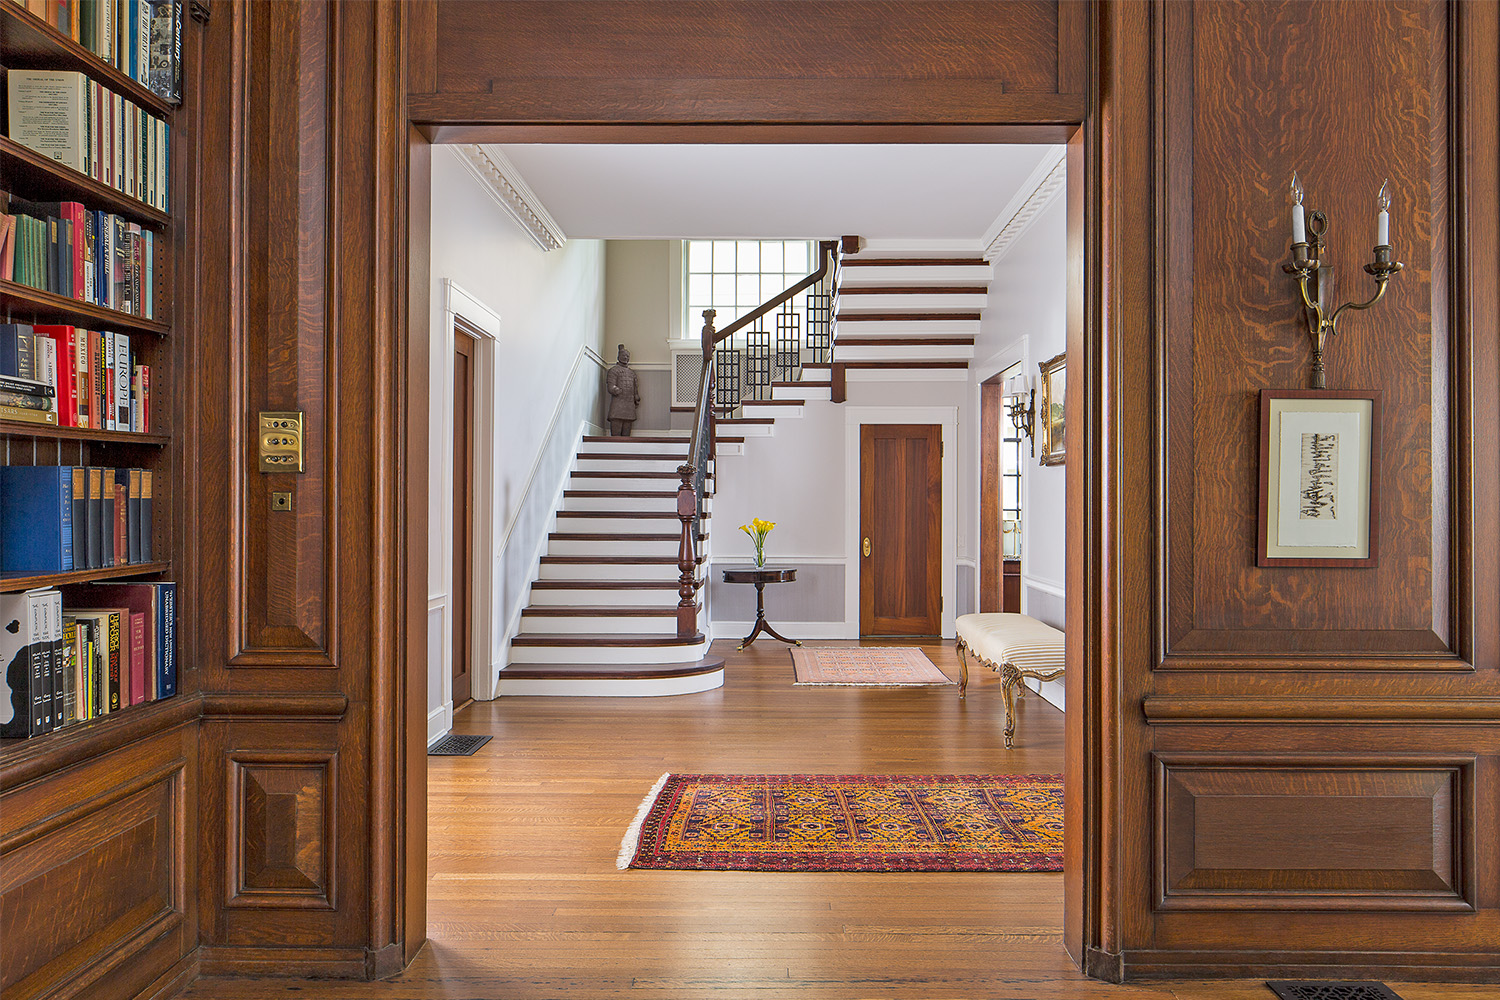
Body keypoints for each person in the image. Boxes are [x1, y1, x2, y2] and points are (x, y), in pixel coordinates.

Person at [605, 344, 640, 436]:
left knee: (626, 435)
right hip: (618, 403)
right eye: (623, 355)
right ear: (618, 357)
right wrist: (615, 390)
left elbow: (635, 387)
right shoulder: (613, 370)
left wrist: (636, 396)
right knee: (616, 434)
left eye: (627, 356)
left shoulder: (632, 373)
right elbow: (611, 385)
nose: (625, 357)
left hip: (629, 404)